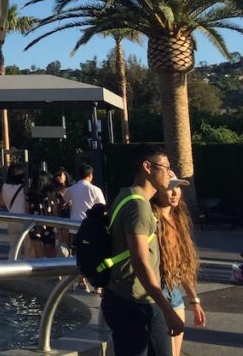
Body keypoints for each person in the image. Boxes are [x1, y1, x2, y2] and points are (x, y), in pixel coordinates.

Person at [101, 144, 184, 356]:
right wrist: (168, 309)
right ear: (147, 167)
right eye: (164, 167)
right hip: (134, 302)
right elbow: (140, 261)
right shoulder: (138, 206)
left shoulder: (125, 196)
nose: (168, 172)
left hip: (131, 298)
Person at [152, 173, 206, 356]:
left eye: (178, 188)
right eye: (169, 188)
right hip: (156, 294)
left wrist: (194, 299)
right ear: (158, 191)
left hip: (174, 294)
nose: (175, 193)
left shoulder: (178, 220)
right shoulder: (151, 221)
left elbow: (181, 266)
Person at [1, 162, 30, 257]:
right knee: (28, 247)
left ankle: (12, 265)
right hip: (24, 220)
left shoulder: (4, 186)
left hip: (11, 219)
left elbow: (1, 203)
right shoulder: (24, 188)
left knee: (14, 247)